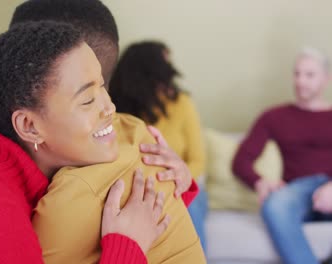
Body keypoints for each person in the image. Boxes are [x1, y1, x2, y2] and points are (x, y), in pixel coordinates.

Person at [0, 1, 200, 263]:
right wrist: (126, 249)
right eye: (87, 98)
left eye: (102, 85)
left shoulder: (68, 164)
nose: (110, 108)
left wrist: (173, 186)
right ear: (29, 124)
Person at [232, 47, 332, 264]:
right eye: (296, 73)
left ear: (326, 79)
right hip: (297, 192)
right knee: (274, 204)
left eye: (309, 74)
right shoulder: (274, 117)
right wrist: (259, 181)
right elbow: (241, 161)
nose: (300, 81)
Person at [109, 41, 208, 250]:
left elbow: (198, 160)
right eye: (165, 64)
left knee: (188, 209)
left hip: (178, 185)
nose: (171, 72)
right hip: (134, 187)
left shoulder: (182, 103)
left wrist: (175, 182)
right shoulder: (116, 109)